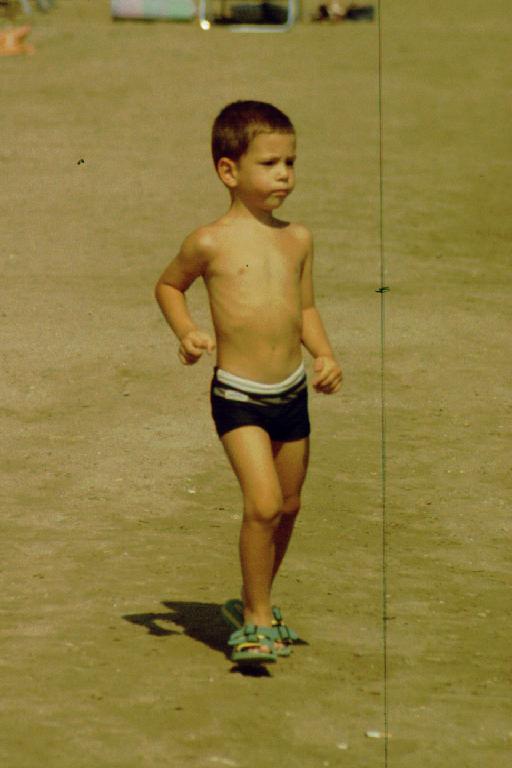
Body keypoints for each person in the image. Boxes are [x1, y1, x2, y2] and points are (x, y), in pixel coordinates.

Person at [155, 101, 342, 666]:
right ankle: (258, 618)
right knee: (262, 505)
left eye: (290, 162)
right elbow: (169, 285)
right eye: (269, 163)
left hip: (292, 391)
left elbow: (305, 308)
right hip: (238, 394)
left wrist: (325, 354)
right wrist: (187, 332)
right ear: (228, 171)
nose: (284, 174)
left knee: (288, 505)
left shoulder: (298, 238)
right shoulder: (208, 242)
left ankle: (253, 600)